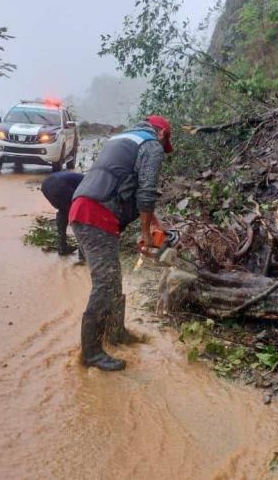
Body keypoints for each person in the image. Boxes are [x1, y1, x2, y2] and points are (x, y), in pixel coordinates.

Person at [69, 115, 173, 371]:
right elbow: (147, 192)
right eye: (165, 141)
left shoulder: (120, 139)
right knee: (106, 284)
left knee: (112, 280)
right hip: (96, 215)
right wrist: (146, 233)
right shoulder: (152, 145)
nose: (163, 147)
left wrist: (154, 223)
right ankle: (91, 353)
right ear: (161, 134)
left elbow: (130, 187)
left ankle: (116, 334)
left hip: (83, 207)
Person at [40, 171, 85, 257]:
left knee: (63, 211)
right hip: (60, 185)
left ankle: (62, 247)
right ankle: (82, 252)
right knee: (79, 215)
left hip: (46, 185)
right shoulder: (90, 183)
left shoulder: (86, 179)